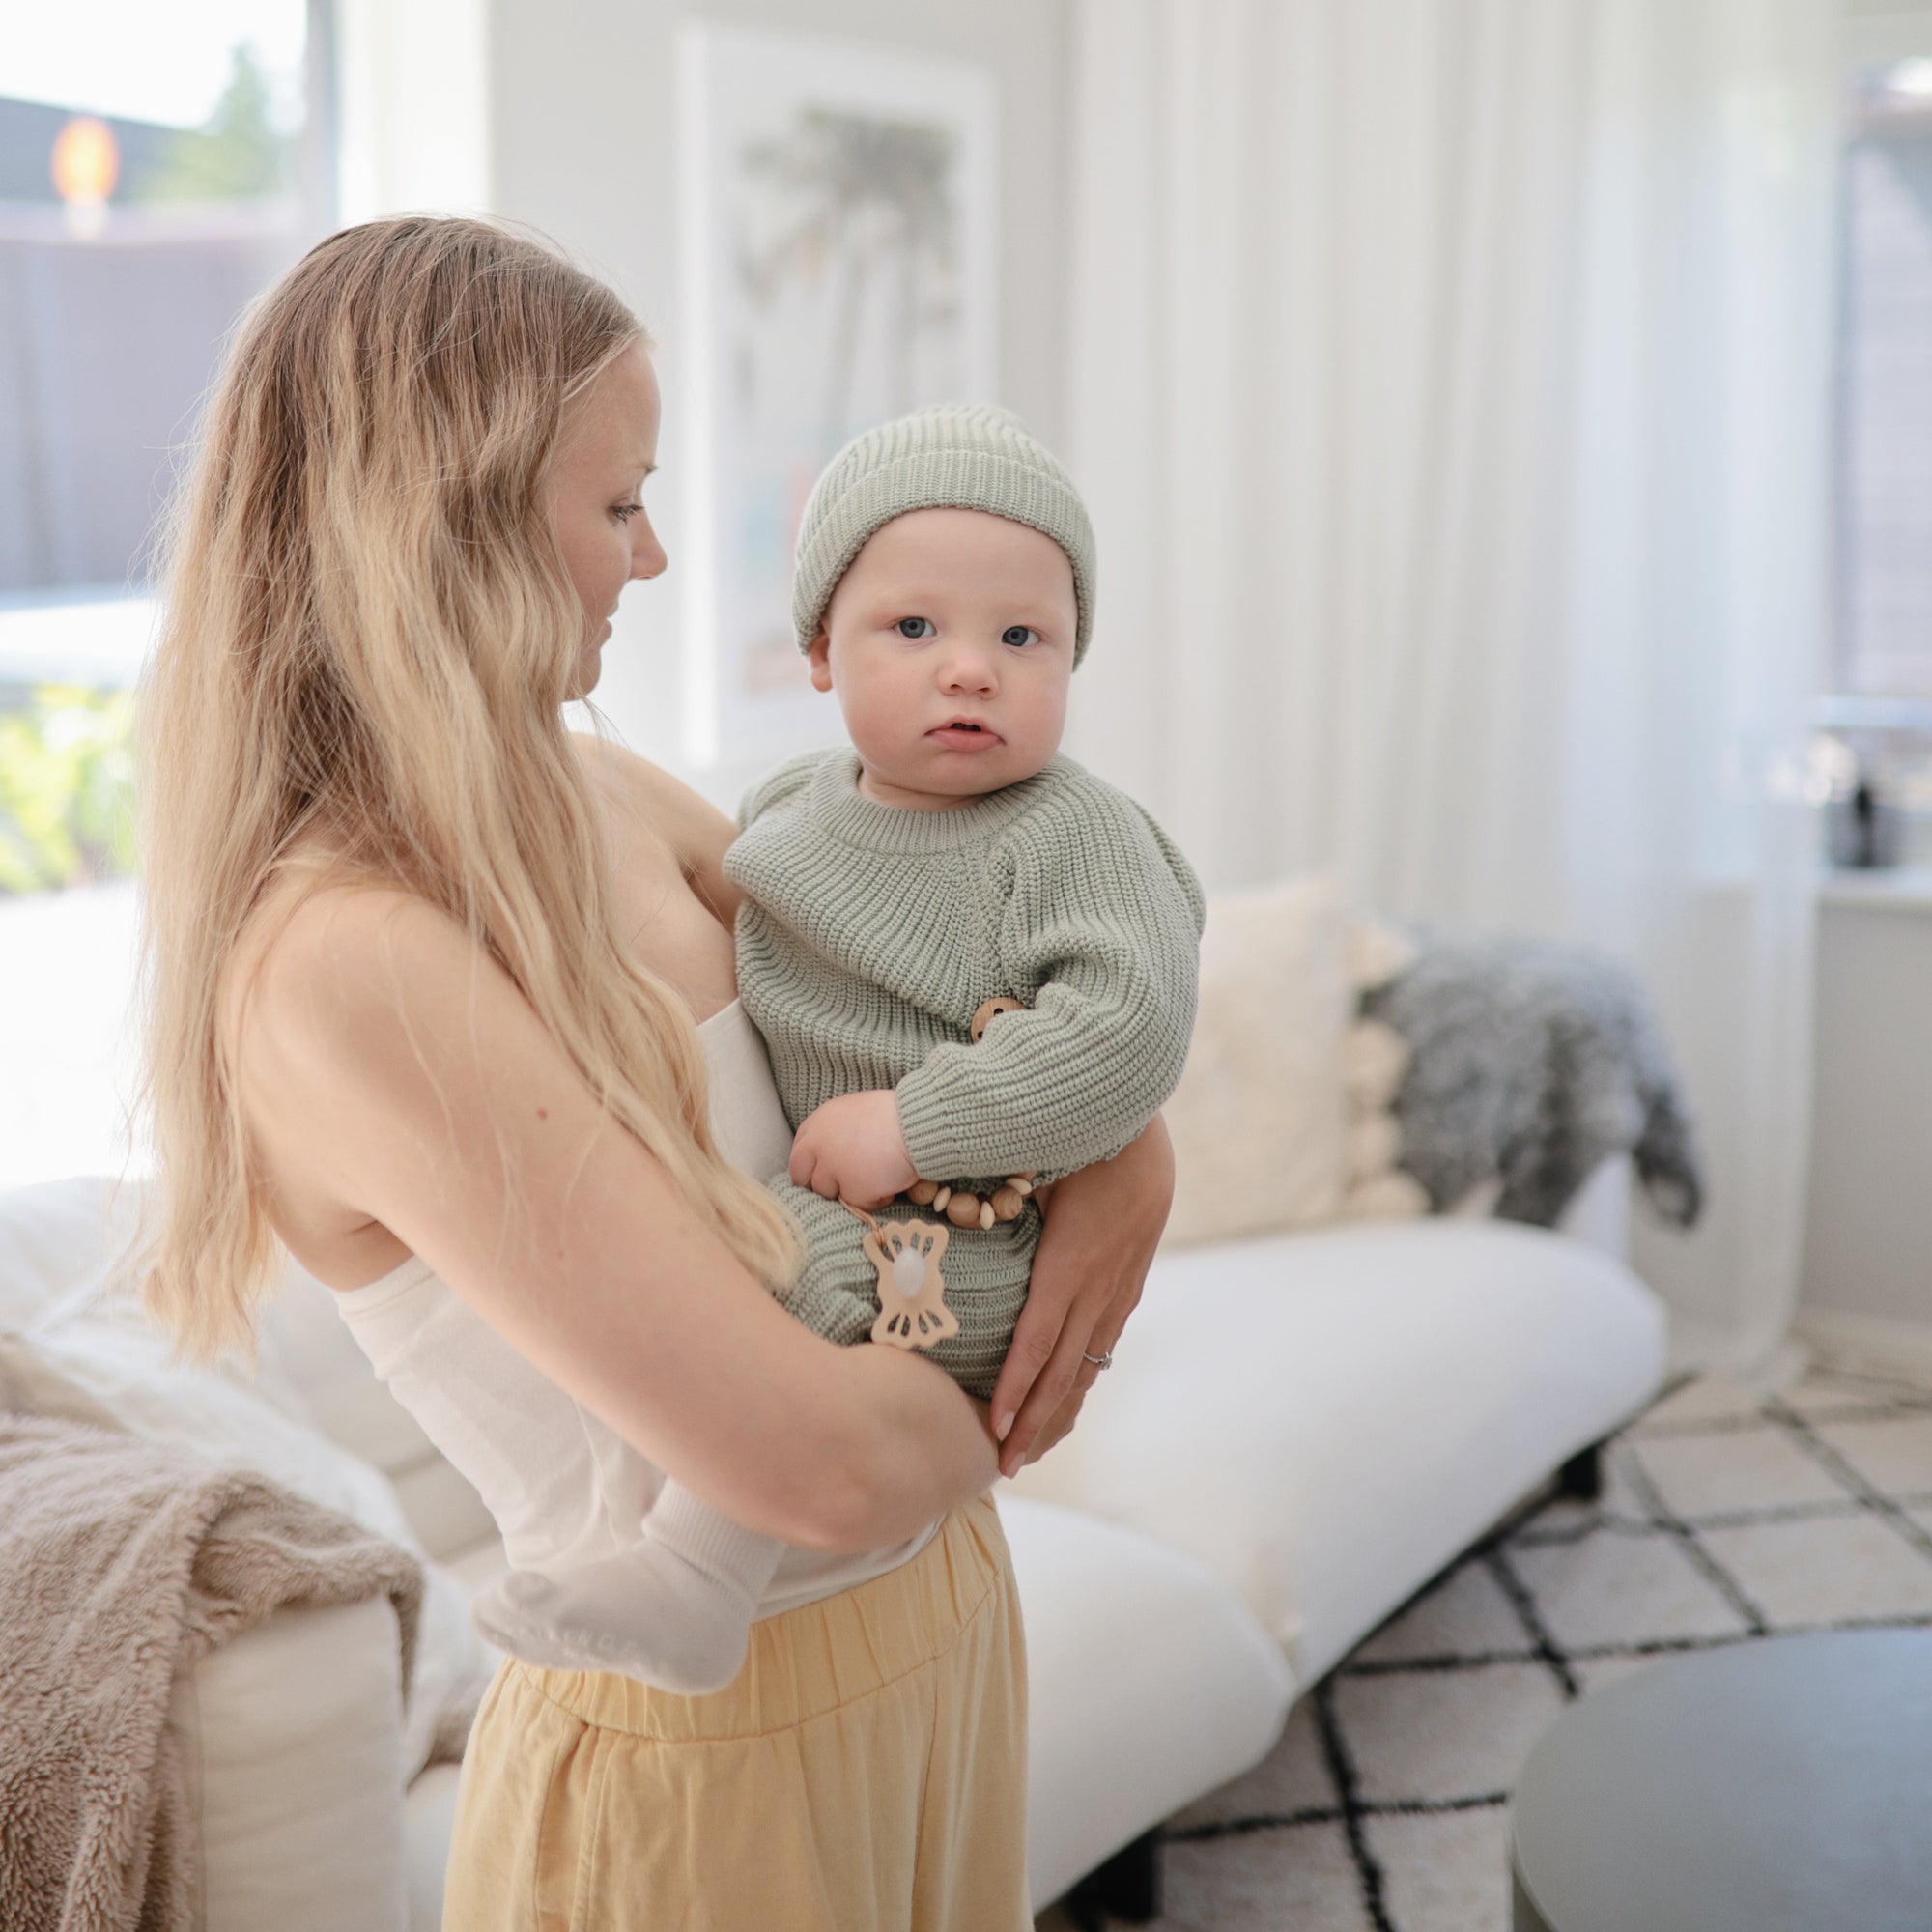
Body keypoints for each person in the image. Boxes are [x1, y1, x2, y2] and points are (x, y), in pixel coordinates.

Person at [134, 215, 1173, 1931]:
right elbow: (817, 1471)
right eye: (620, 503)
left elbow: (953, 981)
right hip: (711, 1751)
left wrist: (1130, 1152)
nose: (660, 554)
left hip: (942, 1623)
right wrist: (1022, 1342)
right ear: (449, 517)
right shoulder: (344, 962)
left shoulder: (599, 796)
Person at [479, 404, 1205, 1694]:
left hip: (971, 1238)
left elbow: (1128, 1027)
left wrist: (916, 1123)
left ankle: (693, 1582)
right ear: (819, 650)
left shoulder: (1075, 835)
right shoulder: (781, 818)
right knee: (747, 1260)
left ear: (1074, 659)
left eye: (1022, 636)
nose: (970, 667)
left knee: (771, 1263)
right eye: (914, 628)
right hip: (859, 1225)